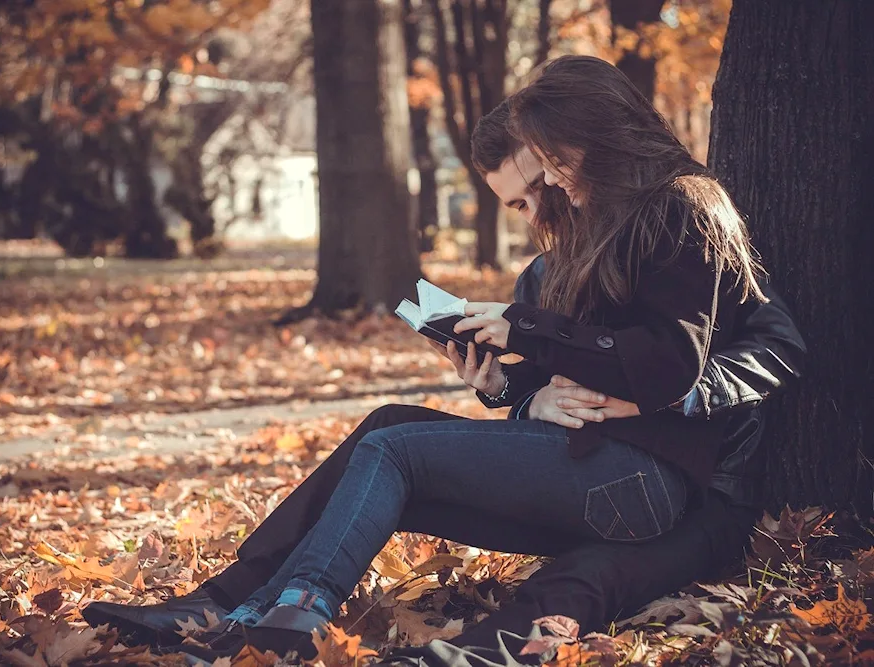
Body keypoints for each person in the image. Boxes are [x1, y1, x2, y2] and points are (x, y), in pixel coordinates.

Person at [83, 56, 804, 660]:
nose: (549, 193)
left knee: (397, 450)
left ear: (599, 137)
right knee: (385, 435)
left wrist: (528, 334)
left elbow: (674, 361)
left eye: (550, 170)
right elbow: (582, 366)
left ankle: (291, 617)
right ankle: (218, 609)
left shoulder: (680, 209)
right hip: (596, 468)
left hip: (655, 481)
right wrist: (511, 391)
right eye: (529, 191)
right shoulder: (577, 249)